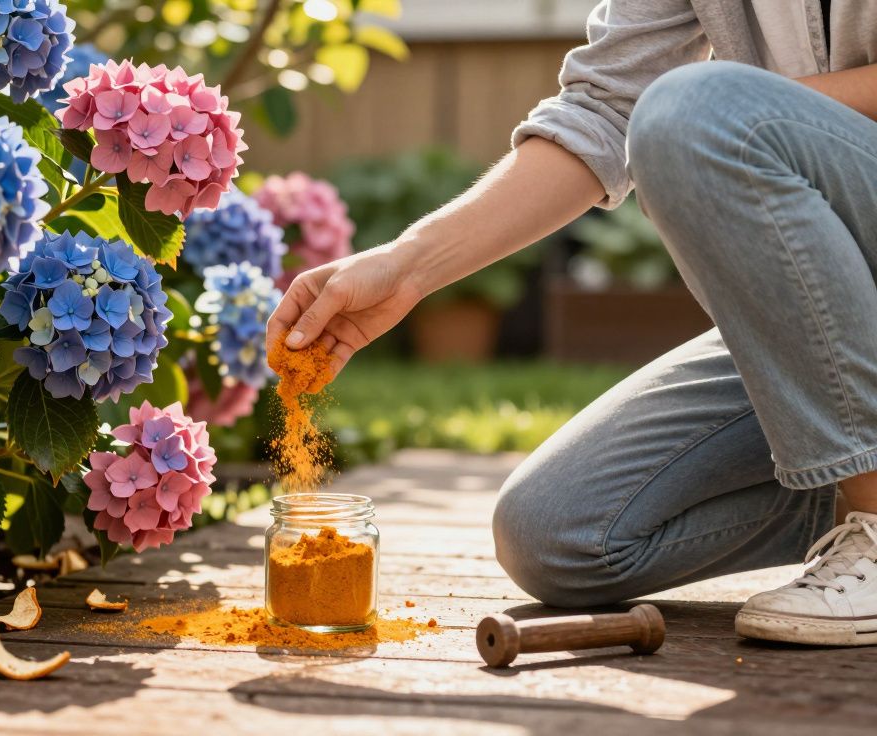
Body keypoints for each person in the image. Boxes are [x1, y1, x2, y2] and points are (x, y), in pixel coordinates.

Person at [266, 0, 877, 646]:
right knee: (556, 533)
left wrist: (733, 121)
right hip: (829, 327)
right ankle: (848, 480)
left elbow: (689, 119)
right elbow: (606, 110)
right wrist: (407, 265)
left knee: (691, 112)